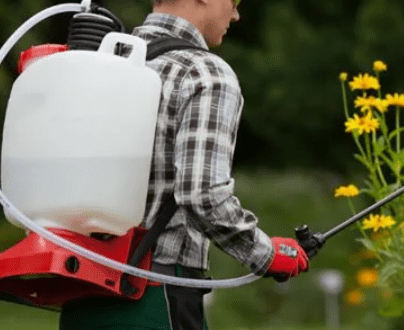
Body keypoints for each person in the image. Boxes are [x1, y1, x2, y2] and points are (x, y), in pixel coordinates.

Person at [59, 0, 309, 329]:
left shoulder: (99, 65)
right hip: (153, 295)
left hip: (81, 293)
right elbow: (202, 194)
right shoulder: (204, 72)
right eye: (233, 2)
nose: (236, 14)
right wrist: (266, 254)